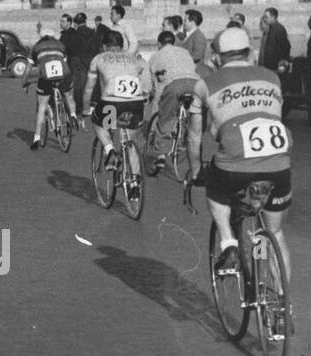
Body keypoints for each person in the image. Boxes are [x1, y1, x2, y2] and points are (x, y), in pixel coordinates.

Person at [187, 27, 293, 283]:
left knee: (215, 187)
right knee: (275, 233)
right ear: (250, 52)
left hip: (235, 160)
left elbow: (194, 136)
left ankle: (228, 242)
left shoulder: (205, 84)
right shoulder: (271, 78)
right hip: (278, 160)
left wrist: (195, 170)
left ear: (217, 57)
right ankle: (283, 311)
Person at [83, 28, 152, 169]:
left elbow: (89, 87)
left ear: (103, 46)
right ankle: (134, 182)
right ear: (122, 45)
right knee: (131, 142)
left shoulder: (98, 58)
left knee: (98, 121)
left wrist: (85, 109)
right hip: (136, 103)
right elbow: (143, 80)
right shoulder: (134, 58)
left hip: (112, 104)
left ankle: (110, 150)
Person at [146, 29, 198, 173]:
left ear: (158, 44)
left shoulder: (156, 56)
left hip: (175, 84)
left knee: (165, 117)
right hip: (195, 83)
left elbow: (154, 84)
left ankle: (161, 155)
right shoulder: (184, 52)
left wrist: (152, 96)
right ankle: (186, 137)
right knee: (193, 114)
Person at [23, 27, 77, 150]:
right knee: (68, 96)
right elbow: (64, 62)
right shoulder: (60, 45)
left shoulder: (36, 47)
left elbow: (28, 68)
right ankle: (73, 115)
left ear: (41, 37)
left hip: (46, 78)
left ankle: (36, 137)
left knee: (42, 106)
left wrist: (24, 82)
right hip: (63, 76)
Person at [69, 12, 101, 115]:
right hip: (92, 59)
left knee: (80, 83)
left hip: (80, 61)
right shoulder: (93, 32)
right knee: (94, 82)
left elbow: (71, 49)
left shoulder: (74, 34)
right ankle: (93, 103)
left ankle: (81, 106)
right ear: (85, 21)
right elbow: (97, 46)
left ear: (75, 24)